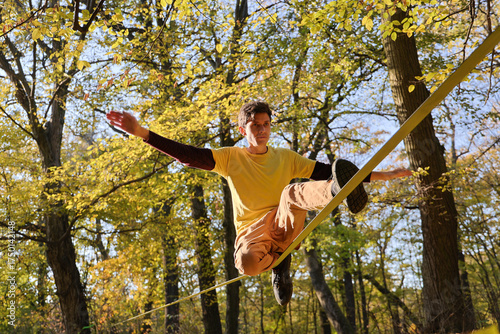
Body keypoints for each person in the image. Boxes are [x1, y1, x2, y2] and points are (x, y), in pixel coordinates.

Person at [106, 101, 412, 306]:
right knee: (248, 264)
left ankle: (335, 195)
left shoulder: (285, 158)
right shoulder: (230, 158)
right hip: (253, 234)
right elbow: (189, 155)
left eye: (267, 124)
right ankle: (279, 263)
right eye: (255, 125)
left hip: (284, 219)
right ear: (243, 130)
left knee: (292, 194)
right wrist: (142, 133)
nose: (263, 130)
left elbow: (329, 169)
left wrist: (385, 174)